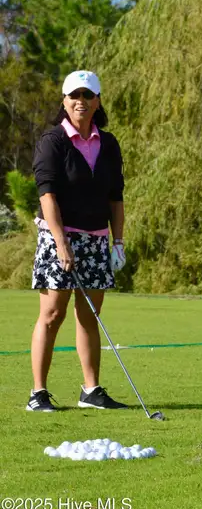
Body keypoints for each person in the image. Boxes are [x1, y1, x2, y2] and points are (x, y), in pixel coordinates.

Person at [27, 70, 127, 412]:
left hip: (97, 239)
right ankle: (38, 393)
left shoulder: (108, 143)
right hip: (59, 237)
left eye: (87, 95)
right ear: (64, 101)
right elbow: (47, 194)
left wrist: (118, 242)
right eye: (74, 95)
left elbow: (116, 197)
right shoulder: (53, 141)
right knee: (53, 313)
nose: (80, 101)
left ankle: (91, 390)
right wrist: (60, 243)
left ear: (97, 101)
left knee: (90, 314)